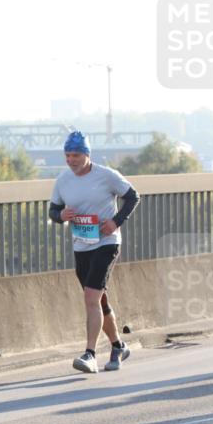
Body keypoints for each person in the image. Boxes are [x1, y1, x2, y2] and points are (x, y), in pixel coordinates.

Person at [49, 130, 138, 373]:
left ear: (87, 155)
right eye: (67, 155)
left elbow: (132, 197)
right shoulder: (63, 180)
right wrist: (61, 216)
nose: (71, 160)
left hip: (106, 243)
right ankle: (118, 346)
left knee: (90, 297)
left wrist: (116, 222)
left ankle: (89, 354)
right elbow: (53, 210)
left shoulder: (106, 176)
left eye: (76, 155)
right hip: (81, 244)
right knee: (99, 300)